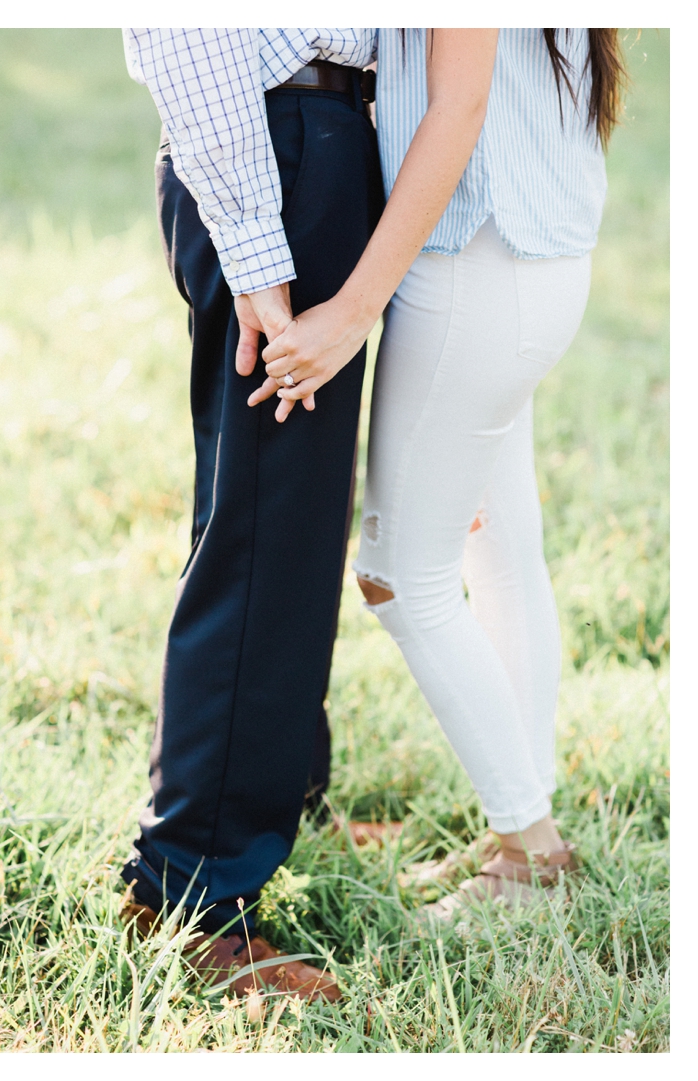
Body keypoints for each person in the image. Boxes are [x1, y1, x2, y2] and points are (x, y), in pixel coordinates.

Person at [254, 28, 625, 918]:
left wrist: (352, 311)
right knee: (501, 550)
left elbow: (458, 107)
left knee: (397, 579)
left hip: (473, 262)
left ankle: (532, 851)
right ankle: (523, 831)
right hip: (534, 256)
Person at [117, 28, 385, 1002]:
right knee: (269, 538)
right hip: (276, 151)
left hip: (312, 145)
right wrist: (260, 251)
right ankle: (192, 887)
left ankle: (278, 794)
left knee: (286, 526)